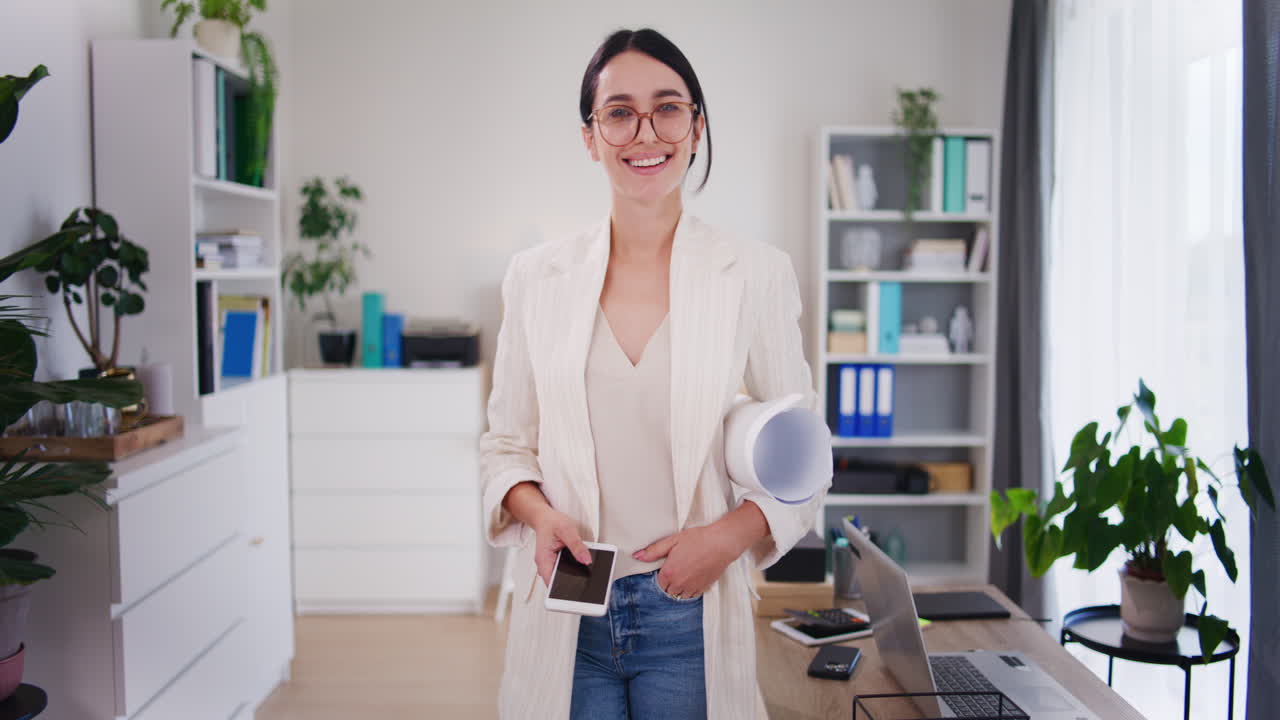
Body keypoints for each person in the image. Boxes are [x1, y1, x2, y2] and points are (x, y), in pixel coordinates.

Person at [479, 27, 827, 719]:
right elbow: (505, 446)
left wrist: (723, 540)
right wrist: (539, 513)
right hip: (567, 610)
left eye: (668, 108)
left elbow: (804, 459)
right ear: (591, 135)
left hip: (685, 612)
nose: (646, 131)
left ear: (696, 127)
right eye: (619, 112)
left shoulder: (754, 275)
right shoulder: (535, 278)